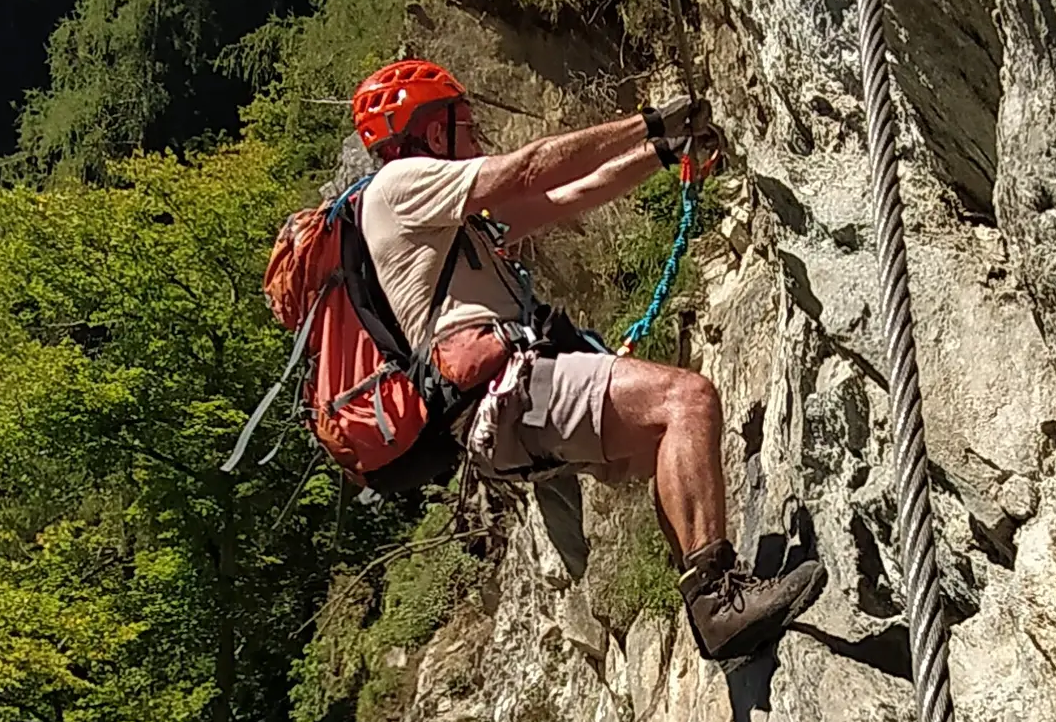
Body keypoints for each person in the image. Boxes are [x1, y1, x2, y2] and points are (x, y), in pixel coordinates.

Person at [351, 56, 826, 663]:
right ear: (428, 129)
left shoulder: (449, 218)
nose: (475, 136)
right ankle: (717, 602)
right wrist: (649, 122)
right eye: (462, 123)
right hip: (509, 394)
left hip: (503, 410)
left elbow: (568, 194)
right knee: (687, 399)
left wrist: (661, 151)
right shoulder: (401, 186)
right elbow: (527, 167)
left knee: (662, 438)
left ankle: (717, 609)